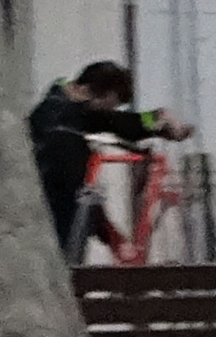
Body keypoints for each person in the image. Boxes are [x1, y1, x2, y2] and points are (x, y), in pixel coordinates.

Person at [30, 62, 192, 258]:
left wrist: (157, 119)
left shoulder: (67, 106)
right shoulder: (61, 129)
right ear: (91, 93)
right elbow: (76, 190)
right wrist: (114, 238)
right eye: (109, 105)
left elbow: (115, 122)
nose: (109, 112)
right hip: (54, 229)